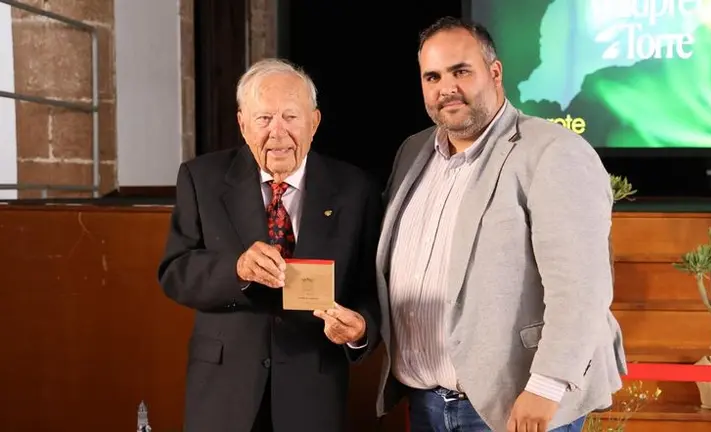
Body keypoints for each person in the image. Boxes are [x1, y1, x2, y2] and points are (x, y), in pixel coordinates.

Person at [374, 17, 628, 432]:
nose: (446, 88)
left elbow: (582, 288)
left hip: (514, 406)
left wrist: (545, 388)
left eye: (461, 71)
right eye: (432, 76)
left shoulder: (553, 152)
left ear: (494, 73)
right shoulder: (413, 151)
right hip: (426, 405)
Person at [158, 58, 382, 432]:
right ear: (243, 124)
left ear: (315, 121)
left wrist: (360, 330)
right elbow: (175, 272)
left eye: (290, 117)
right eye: (264, 119)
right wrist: (237, 270)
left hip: (312, 391)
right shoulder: (202, 179)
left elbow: (372, 289)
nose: (277, 133)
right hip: (224, 393)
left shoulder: (356, 189)